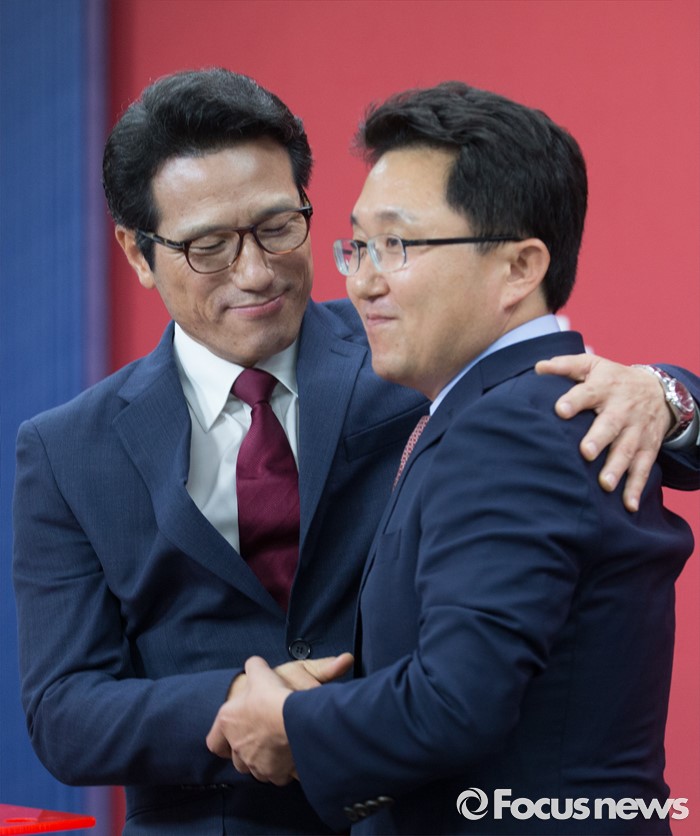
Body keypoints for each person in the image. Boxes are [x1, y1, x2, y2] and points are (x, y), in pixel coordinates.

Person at [12, 69, 699, 836]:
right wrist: (245, 709)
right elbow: (63, 712)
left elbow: (553, 401)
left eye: (278, 227)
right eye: (209, 246)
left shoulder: (410, 352)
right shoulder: (66, 450)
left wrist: (668, 395)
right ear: (138, 253)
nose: (255, 271)